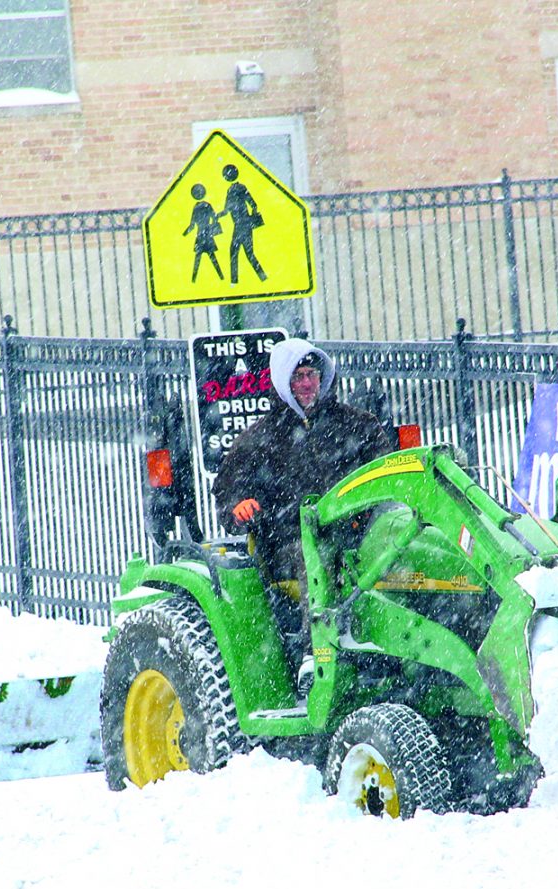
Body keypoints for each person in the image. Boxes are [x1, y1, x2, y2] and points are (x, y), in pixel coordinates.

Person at [212, 337, 393, 697]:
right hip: (288, 543)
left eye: (311, 375)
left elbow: (385, 473)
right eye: (297, 377)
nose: (307, 384)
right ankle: (319, 654)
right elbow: (228, 490)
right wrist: (239, 505)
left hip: (358, 532)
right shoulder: (258, 440)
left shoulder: (357, 426)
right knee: (315, 556)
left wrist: (365, 514)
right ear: (283, 383)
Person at [216, 163, 267, 284]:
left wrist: (249, 219)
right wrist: (218, 216)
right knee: (245, 253)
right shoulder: (237, 189)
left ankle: (236, 281)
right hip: (242, 225)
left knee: (238, 253)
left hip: (241, 225)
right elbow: (230, 209)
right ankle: (261, 277)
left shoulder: (236, 189)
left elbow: (230, 209)